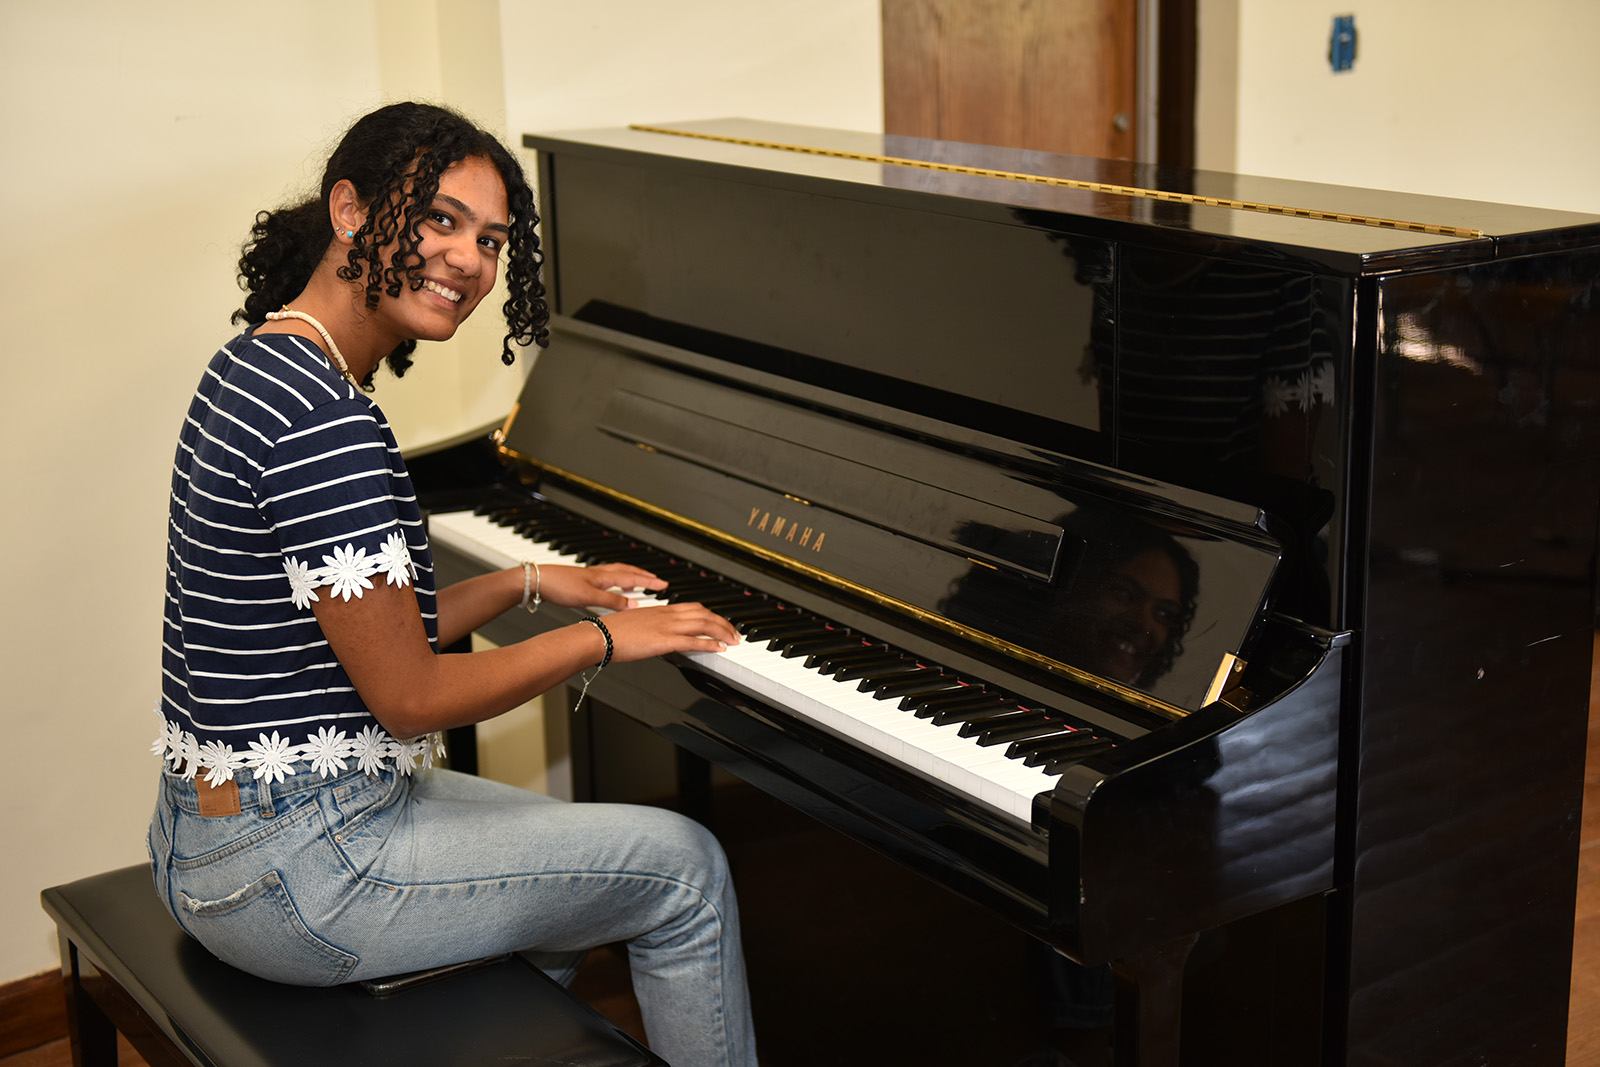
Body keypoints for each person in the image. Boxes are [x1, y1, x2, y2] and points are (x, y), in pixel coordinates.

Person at [146, 102, 758, 1067]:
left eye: (490, 238)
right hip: (299, 867)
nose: (468, 259)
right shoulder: (326, 422)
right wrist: (606, 640)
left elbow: (363, 628)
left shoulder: (259, 364)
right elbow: (408, 693)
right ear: (349, 208)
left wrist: (531, 582)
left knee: (576, 856)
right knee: (684, 870)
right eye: (438, 219)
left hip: (208, 839)